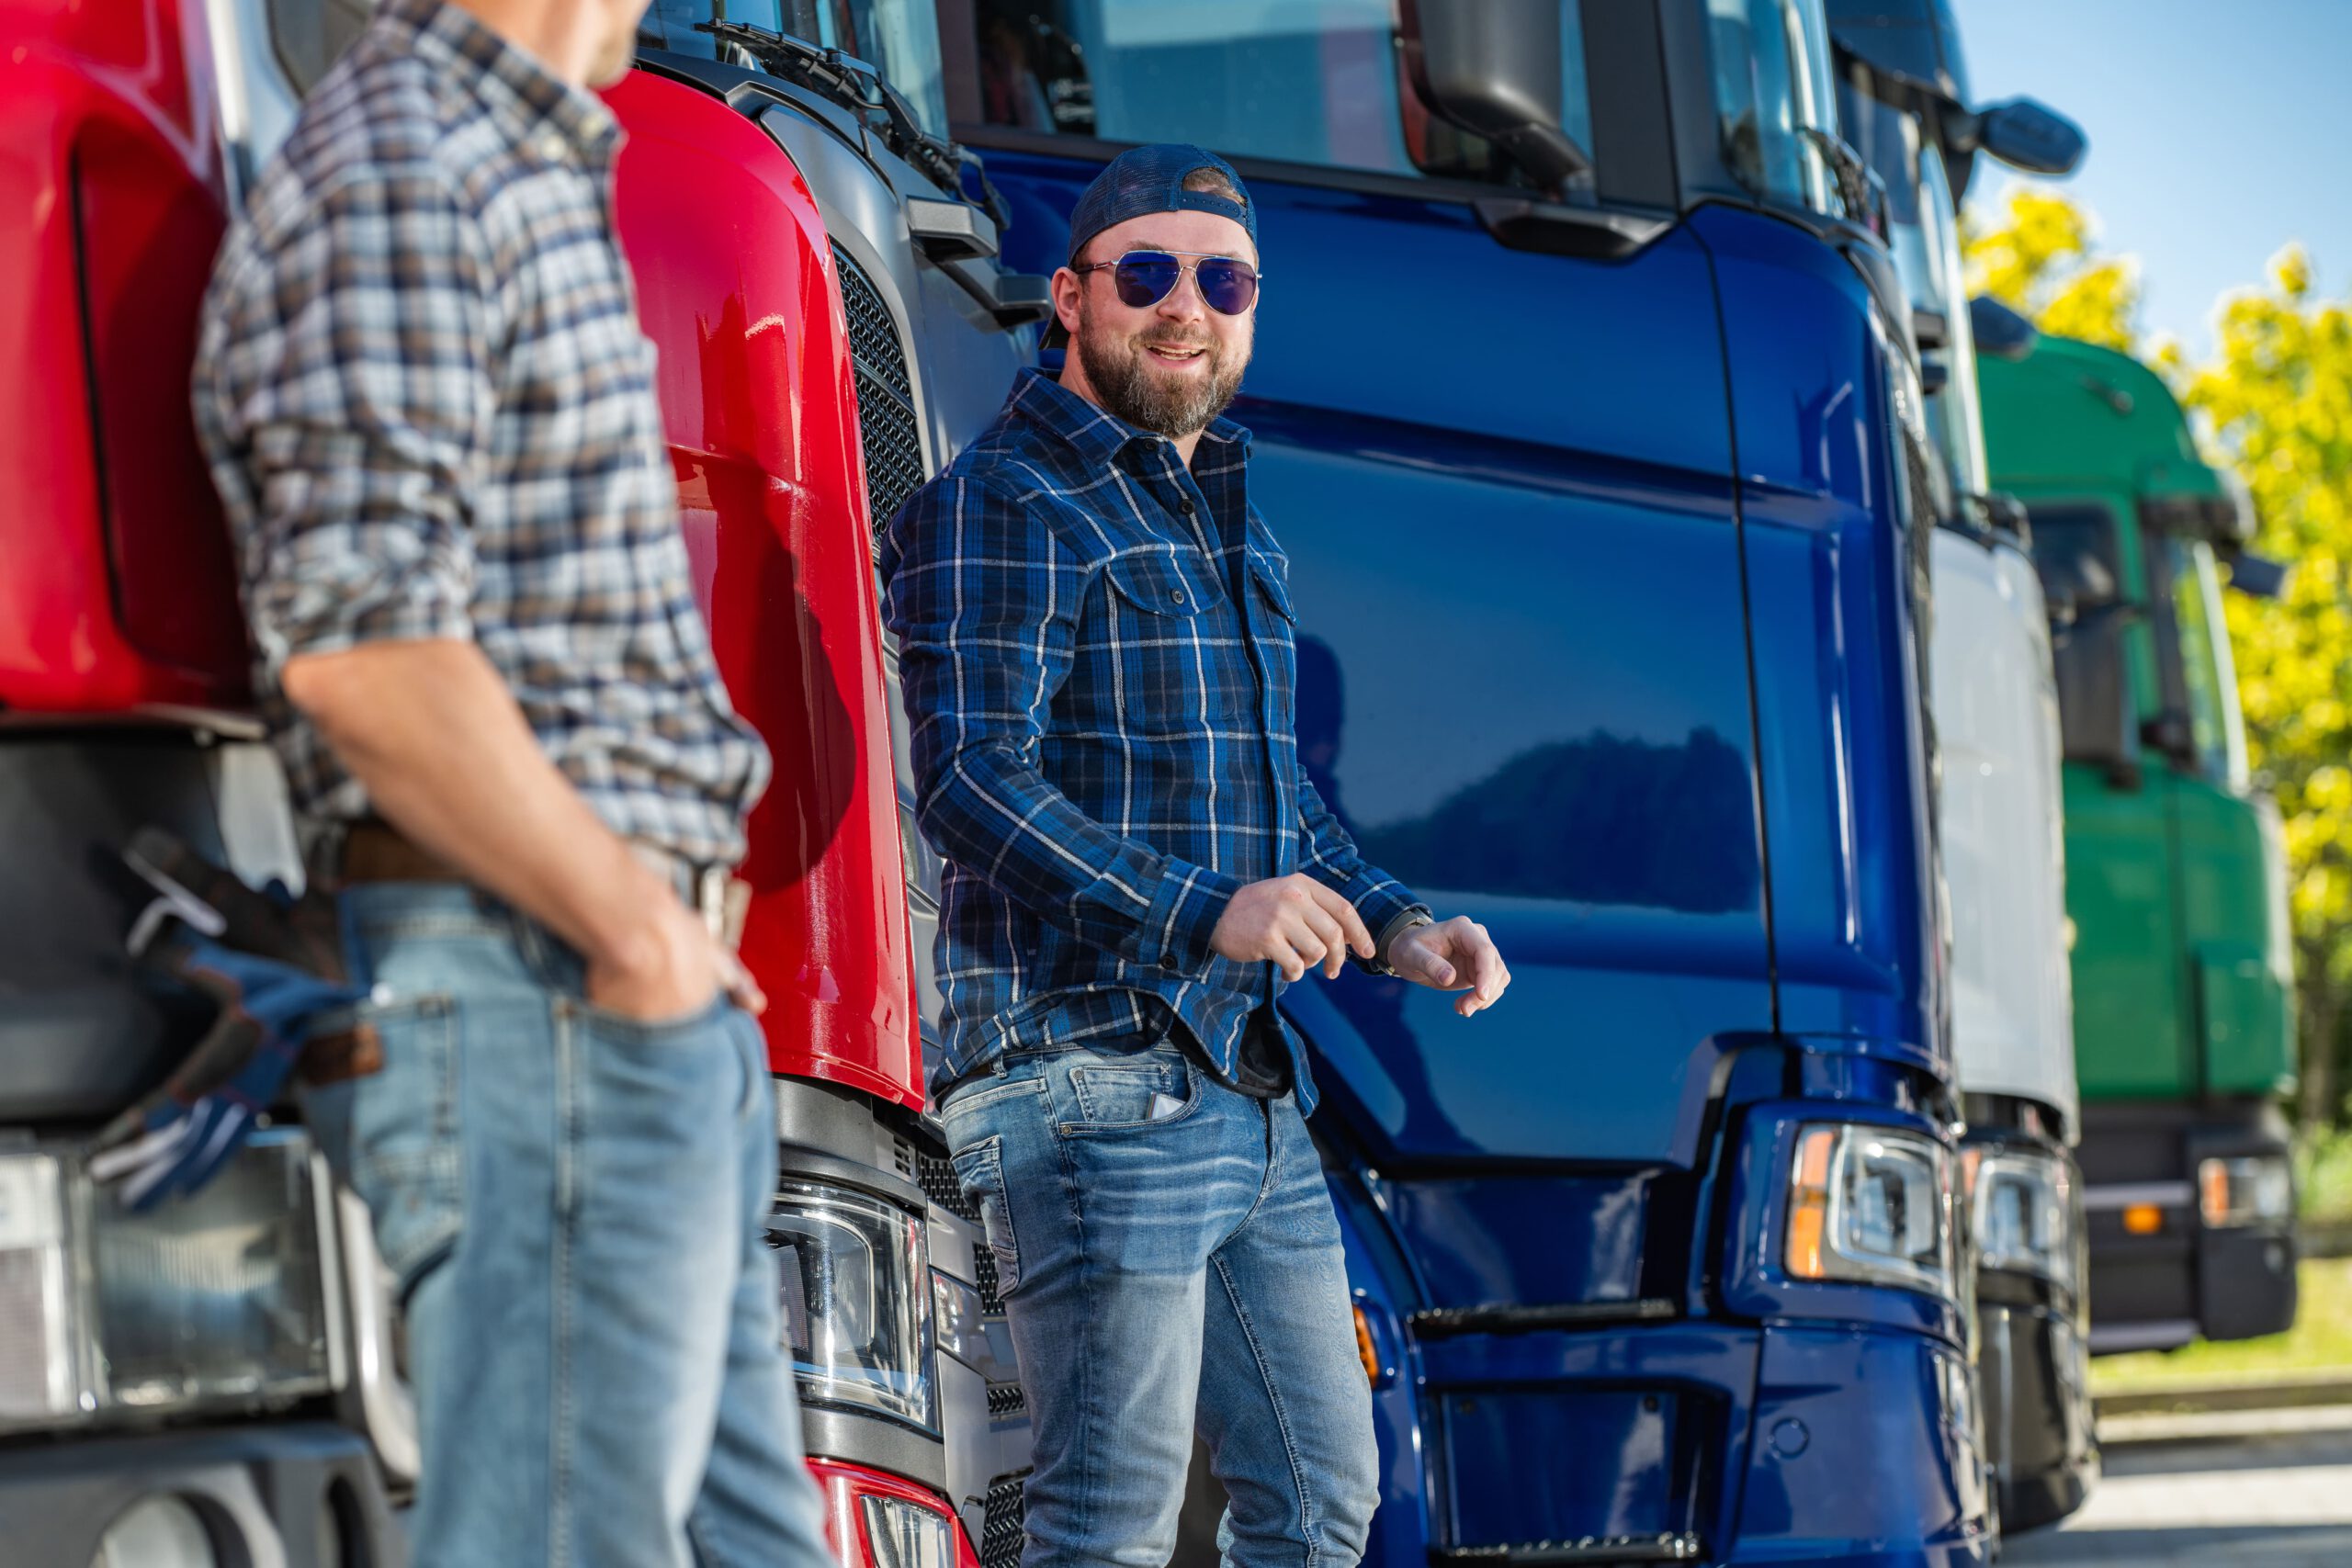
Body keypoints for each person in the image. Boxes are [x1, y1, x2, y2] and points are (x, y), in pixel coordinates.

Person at [191, 0, 832, 1562]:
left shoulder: (509, 167)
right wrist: (632, 929)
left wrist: (676, 945)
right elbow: (365, 651)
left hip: (616, 1011)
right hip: (547, 1003)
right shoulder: (413, 168)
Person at [881, 143, 1512, 1567]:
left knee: (1320, 1504)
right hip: (1089, 1081)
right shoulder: (1010, 500)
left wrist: (1401, 925)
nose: (1187, 307)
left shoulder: (1225, 512)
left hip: (1245, 1083)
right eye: (1148, 273)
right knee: (1106, 1524)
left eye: (1222, 279)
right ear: (1070, 296)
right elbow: (973, 781)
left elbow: (1275, 800)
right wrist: (1206, 912)